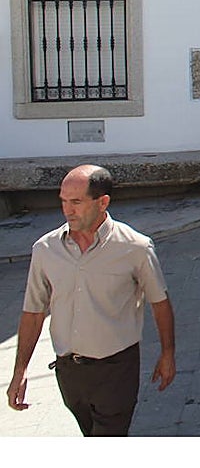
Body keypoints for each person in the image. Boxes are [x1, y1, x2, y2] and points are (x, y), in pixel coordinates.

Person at [6, 165, 176, 436]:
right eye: (63, 201)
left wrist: (168, 354)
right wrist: (20, 370)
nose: (67, 210)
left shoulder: (136, 248)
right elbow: (34, 312)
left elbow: (160, 303)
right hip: (69, 372)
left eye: (76, 202)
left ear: (103, 202)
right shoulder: (45, 249)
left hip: (116, 370)